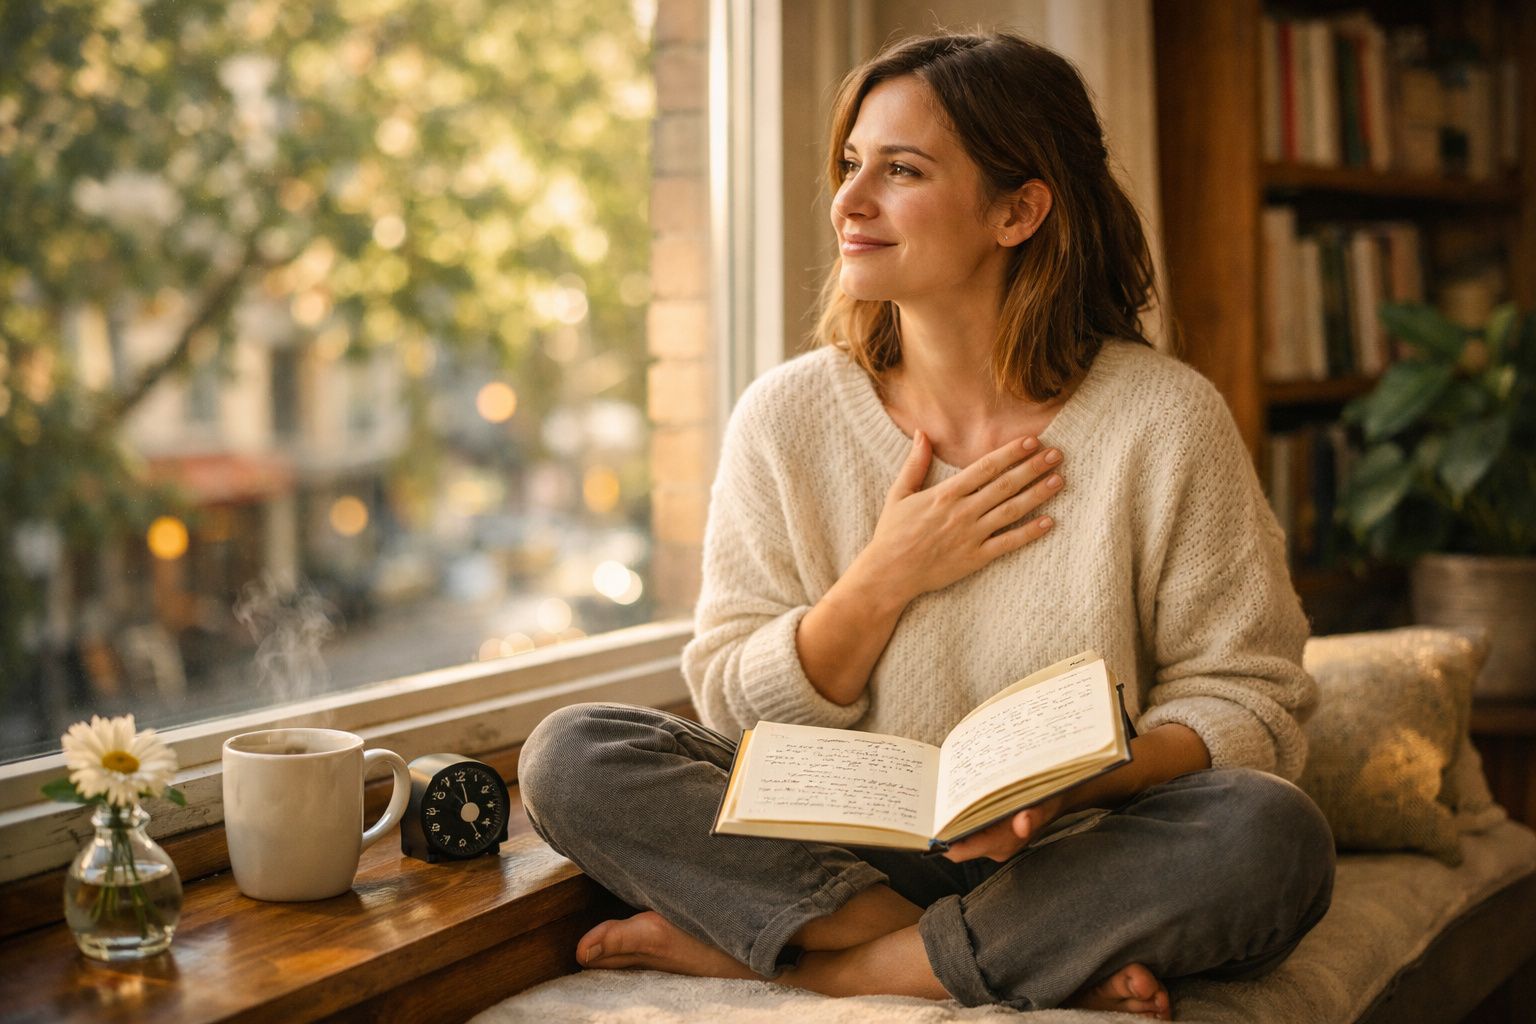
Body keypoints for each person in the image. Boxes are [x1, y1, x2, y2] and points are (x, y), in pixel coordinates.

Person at [519, 31, 1334, 1019]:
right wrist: (885, 576)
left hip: (1072, 854)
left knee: (1271, 834)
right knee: (571, 754)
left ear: (1018, 209)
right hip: (844, 853)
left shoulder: (1163, 418)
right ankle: (959, 950)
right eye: (850, 165)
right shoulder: (785, 417)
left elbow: (1251, 690)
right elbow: (732, 702)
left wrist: (1083, 786)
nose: (849, 203)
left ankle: (839, 966)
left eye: (900, 171)